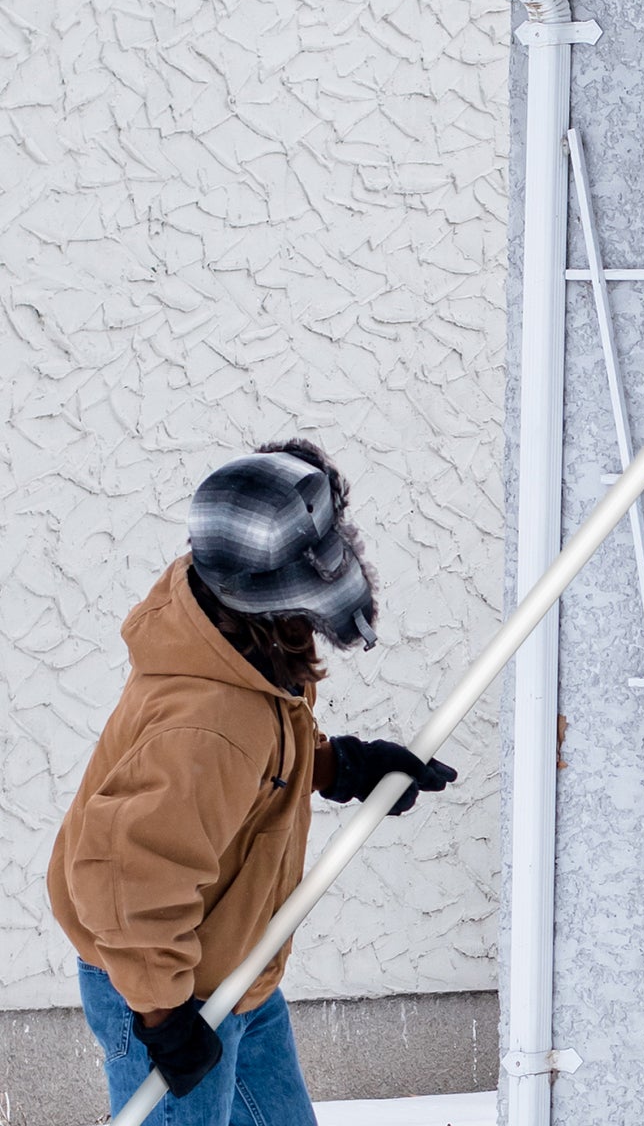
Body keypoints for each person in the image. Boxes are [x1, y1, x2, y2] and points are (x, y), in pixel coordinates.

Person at [48, 438, 458, 1122]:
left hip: (236, 965)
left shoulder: (237, 648)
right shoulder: (208, 725)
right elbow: (120, 877)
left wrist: (343, 766)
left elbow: (261, 762)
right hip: (162, 984)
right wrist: (163, 1017)